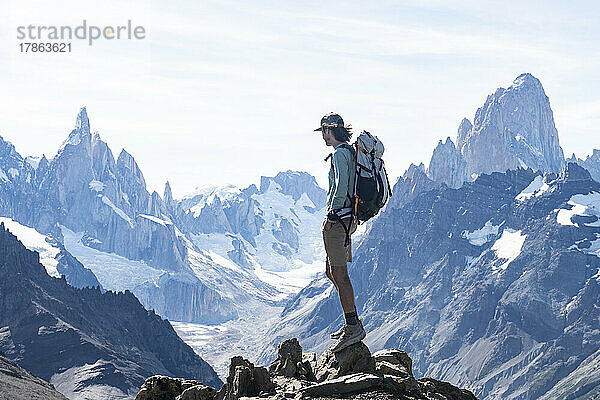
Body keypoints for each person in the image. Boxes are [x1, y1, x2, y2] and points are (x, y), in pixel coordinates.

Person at [314, 112, 366, 352]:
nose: (322, 137)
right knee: (331, 270)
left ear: (328, 130)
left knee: (339, 273)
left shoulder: (339, 155)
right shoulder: (350, 152)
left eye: (323, 132)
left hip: (338, 221)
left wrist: (331, 216)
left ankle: (353, 326)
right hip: (347, 219)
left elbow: (340, 186)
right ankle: (351, 321)